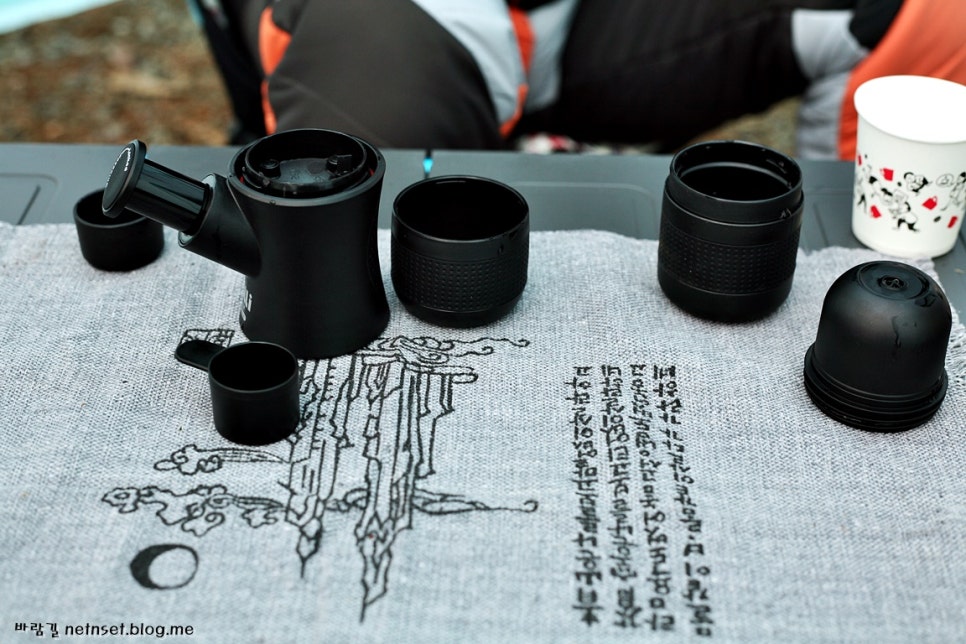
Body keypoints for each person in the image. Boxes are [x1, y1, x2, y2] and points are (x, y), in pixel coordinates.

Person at [190, 0, 966, 159]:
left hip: (574, 23)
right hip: (405, 19)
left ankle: (862, 277)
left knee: (926, 12)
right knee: (355, 215)